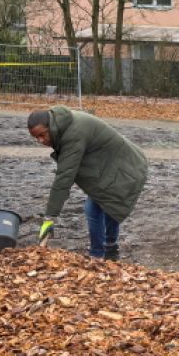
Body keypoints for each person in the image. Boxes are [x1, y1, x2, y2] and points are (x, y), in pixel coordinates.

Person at [27, 106, 147, 260]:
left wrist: (50, 216)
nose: (41, 140)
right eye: (36, 138)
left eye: (42, 135)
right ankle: (107, 249)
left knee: (103, 206)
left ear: (50, 126)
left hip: (127, 167)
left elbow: (64, 177)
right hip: (109, 166)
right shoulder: (62, 124)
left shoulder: (73, 135)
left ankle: (100, 253)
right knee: (103, 205)